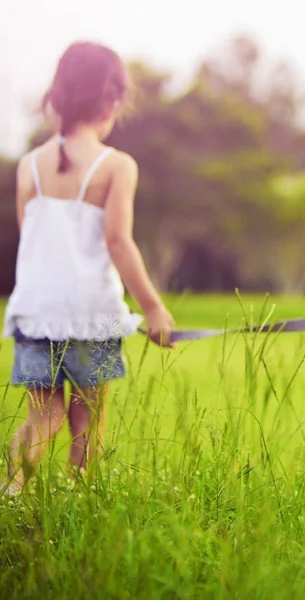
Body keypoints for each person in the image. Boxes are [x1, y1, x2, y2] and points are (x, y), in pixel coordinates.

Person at [3, 41, 175, 494]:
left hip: (36, 311)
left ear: (55, 99)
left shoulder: (29, 167)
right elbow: (118, 242)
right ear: (112, 102)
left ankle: (10, 490)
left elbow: (31, 238)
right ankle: (82, 504)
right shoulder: (116, 166)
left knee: (44, 417)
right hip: (92, 315)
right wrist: (153, 308)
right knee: (88, 423)